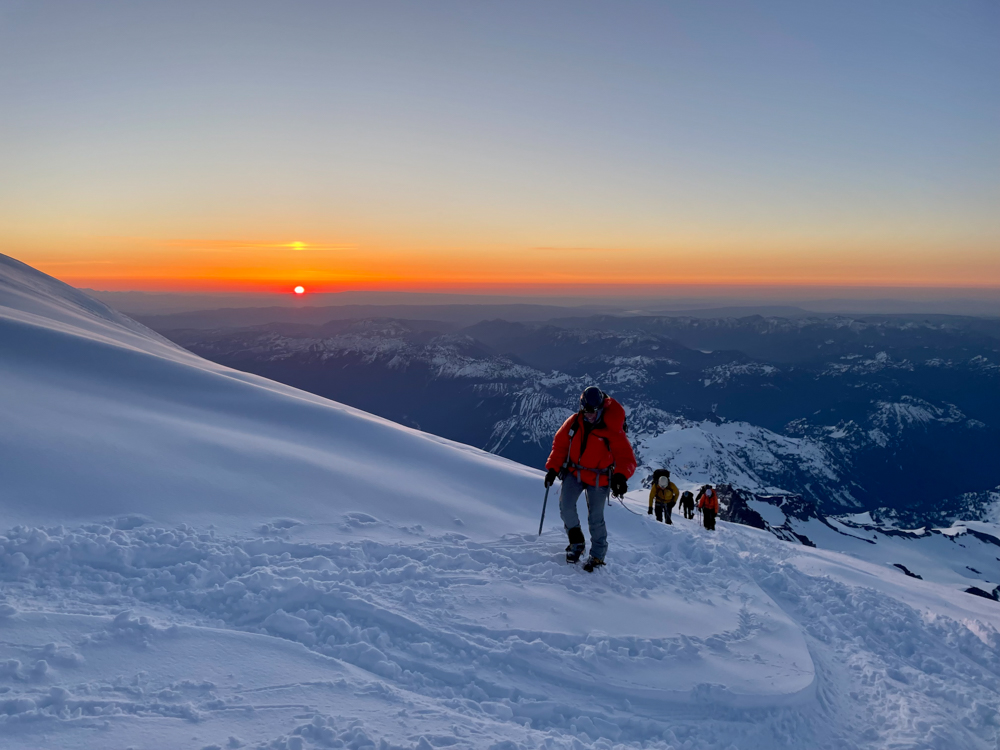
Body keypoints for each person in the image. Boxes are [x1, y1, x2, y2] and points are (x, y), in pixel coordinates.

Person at [545, 386, 636, 572]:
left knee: (595, 518)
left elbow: (626, 457)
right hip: (575, 472)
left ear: (601, 408)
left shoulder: (613, 429)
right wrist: (553, 468)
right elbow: (560, 445)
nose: (589, 415)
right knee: (566, 507)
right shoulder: (574, 422)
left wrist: (620, 476)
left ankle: (597, 555)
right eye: (586, 411)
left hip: (600, 476)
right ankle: (577, 542)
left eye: (593, 411)